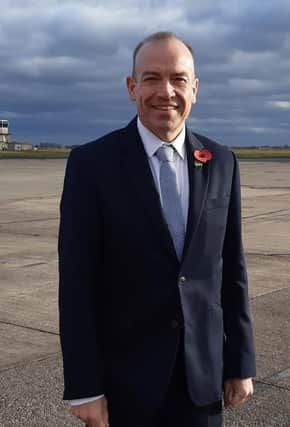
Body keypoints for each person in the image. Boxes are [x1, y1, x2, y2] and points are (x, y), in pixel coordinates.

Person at [58, 31, 256, 427]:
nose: (165, 91)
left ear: (195, 89)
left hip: (202, 382)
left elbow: (231, 270)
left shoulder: (220, 161)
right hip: (124, 384)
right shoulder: (91, 165)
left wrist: (240, 363)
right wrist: (85, 386)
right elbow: (77, 284)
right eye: (151, 78)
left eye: (178, 79)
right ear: (132, 87)